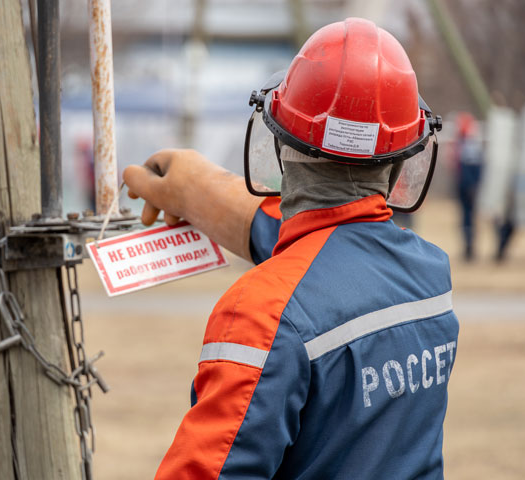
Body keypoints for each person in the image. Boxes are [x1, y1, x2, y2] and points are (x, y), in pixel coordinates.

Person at [124, 18, 458, 479]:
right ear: (402, 158)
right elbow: (324, 248)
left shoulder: (261, 314)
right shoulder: (429, 277)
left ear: (281, 143)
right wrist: (195, 188)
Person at [454, 112, 484, 261]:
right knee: (467, 219)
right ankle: (468, 247)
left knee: (468, 219)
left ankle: (470, 248)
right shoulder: (467, 143)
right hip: (467, 188)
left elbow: (473, 168)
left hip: (468, 188)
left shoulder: (469, 145)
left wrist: (472, 186)